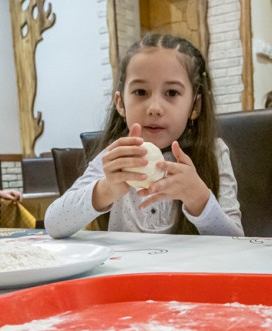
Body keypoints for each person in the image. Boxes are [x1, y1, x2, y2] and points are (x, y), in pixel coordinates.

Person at [45, 33, 243, 238]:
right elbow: (53, 225)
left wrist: (198, 198)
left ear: (195, 105)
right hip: (126, 269)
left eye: (172, 93)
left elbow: (236, 241)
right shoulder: (115, 157)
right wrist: (105, 189)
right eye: (140, 92)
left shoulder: (213, 153)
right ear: (121, 103)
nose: (155, 108)